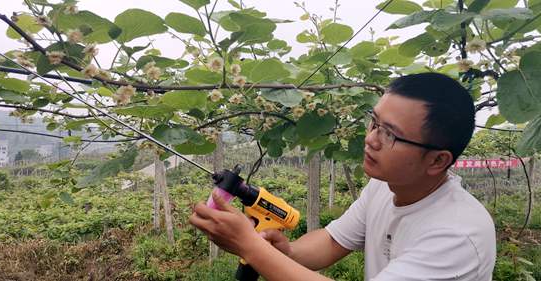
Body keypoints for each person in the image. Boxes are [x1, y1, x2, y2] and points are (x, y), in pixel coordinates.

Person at [190, 72, 496, 281]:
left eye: (390, 134)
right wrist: (287, 252)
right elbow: (333, 241)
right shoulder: (384, 187)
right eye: (374, 122)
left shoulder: (458, 234)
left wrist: (250, 246)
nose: (371, 139)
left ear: (437, 160)